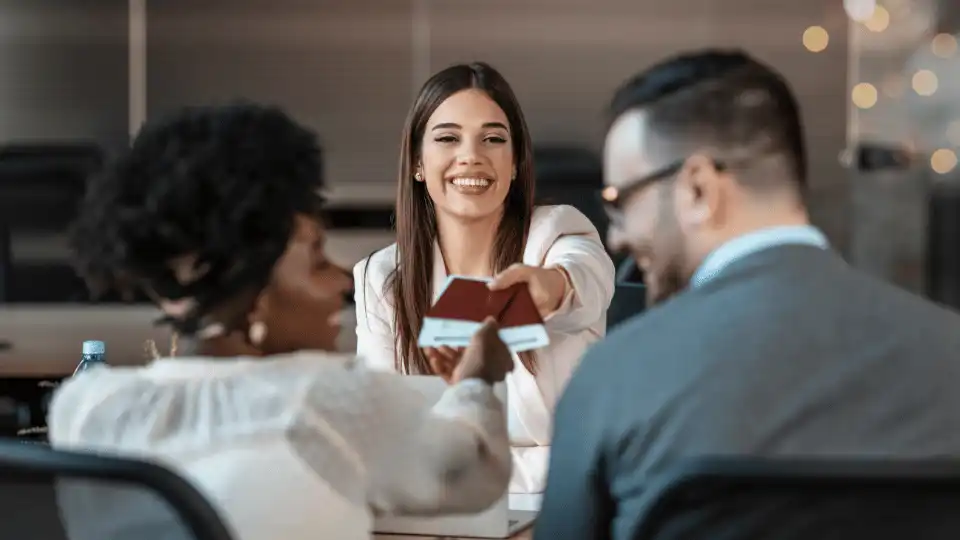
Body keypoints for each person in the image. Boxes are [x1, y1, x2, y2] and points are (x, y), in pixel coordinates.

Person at [535, 49, 960, 539]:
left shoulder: (615, 378)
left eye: (621, 202)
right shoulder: (950, 353)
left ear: (698, 188)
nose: (617, 238)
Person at [50, 103, 515, 540]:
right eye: (315, 261)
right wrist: (476, 380)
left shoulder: (83, 406)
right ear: (254, 297)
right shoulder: (332, 400)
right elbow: (471, 474)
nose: (339, 281)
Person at [354, 62, 615, 503]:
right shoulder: (381, 277)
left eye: (493, 139)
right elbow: (386, 442)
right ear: (418, 163)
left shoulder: (558, 235)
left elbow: (585, 283)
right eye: (448, 138)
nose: (471, 155)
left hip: (561, 508)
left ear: (515, 163)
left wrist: (549, 289)